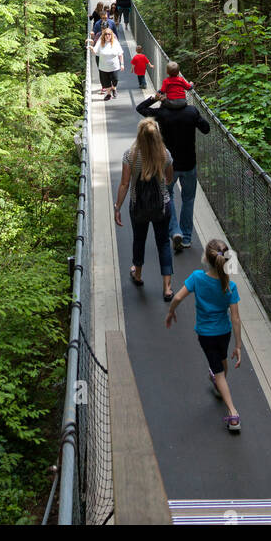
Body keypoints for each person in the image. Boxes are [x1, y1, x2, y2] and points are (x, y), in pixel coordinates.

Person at [166, 239, 242, 431]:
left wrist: (171, 312)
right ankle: (218, 382)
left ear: (206, 259)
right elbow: (235, 319)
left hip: (206, 334)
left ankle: (233, 414)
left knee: (219, 372)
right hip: (224, 333)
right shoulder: (230, 287)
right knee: (222, 362)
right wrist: (238, 346)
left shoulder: (197, 277)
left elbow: (177, 297)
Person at [136, 91, 210, 255]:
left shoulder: (162, 113)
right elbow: (206, 129)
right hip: (189, 165)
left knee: (167, 197)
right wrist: (196, 116)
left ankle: (175, 230)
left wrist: (154, 98)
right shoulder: (191, 111)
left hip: (169, 164)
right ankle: (186, 238)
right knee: (188, 199)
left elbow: (140, 108)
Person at [114, 119, 175, 301]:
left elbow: (125, 183)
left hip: (137, 206)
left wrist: (118, 207)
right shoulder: (165, 154)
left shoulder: (130, 155)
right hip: (161, 206)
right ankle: (167, 288)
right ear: (157, 135)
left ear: (139, 135)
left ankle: (138, 274)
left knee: (139, 239)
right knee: (163, 242)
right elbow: (170, 178)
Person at [91, 25, 123, 98]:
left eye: (109, 34)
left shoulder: (115, 42)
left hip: (114, 66)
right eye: (106, 34)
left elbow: (120, 53)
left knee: (115, 80)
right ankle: (108, 94)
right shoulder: (100, 42)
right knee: (106, 82)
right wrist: (91, 47)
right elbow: (95, 51)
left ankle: (114, 88)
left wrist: (122, 64)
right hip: (103, 67)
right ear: (104, 35)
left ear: (111, 35)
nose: (107, 36)